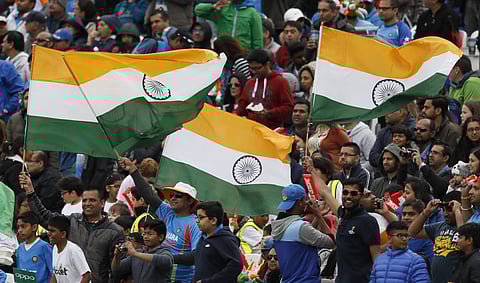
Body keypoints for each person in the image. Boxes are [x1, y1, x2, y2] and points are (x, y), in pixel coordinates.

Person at [20, 173, 125, 283]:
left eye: (92, 200)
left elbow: (117, 269)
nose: (87, 204)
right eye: (84, 200)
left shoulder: (114, 231)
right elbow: (46, 217)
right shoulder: (73, 220)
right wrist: (30, 192)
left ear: (102, 203)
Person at [119, 157, 201, 283]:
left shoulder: (194, 225)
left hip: (179, 279)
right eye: (171, 195)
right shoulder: (168, 212)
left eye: (178, 196)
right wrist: (133, 170)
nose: (172, 198)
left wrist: (164, 258)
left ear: (190, 201)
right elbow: (149, 195)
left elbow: (196, 256)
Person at [313, 176, 381, 283]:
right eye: (345, 192)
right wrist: (311, 169)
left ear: (361, 196)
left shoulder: (368, 221)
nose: (348, 196)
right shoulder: (342, 214)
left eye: (353, 193)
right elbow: (325, 192)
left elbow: (376, 257)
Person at [271, 183, 335, 282]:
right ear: (300, 202)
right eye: (305, 199)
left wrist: (318, 215)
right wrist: (318, 215)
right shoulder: (300, 227)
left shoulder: (279, 225)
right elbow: (330, 242)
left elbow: (307, 238)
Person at [174, 201, 243, 282]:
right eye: (196, 217)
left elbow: (236, 265)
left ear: (213, 220)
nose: (197, 221)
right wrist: (171, 258)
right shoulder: (204, 237)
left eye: (201, 217)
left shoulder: (225, 239)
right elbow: (196, 256)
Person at [408, 192, 463, 283]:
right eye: (443, 209)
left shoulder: (468, 225)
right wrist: (426, 212)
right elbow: (412, 232)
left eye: (449, 209)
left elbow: (462, 234)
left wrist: (457, 211)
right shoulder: (440, 226)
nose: (445, 214)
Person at [234, 48, 294, 130]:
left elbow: (289, 108)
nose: (254, 72)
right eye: (251, 69)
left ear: (267, 64)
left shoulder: (281, 82)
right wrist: (234, 115)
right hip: (252, 130)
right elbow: (242, 107)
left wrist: (269, 113)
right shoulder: (250, 83)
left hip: (273, 131)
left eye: (258, 68)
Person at [112, 218, 173, 283]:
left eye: (150, 234)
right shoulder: (139, 252)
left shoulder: (165, 252)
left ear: (160, 237)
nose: (145, 237)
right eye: (144, 233)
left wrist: (135, 254)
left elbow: (165, 261)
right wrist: (117, 256)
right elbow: (116, 270)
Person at [194, 0, 263, 51]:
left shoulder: (253, 13)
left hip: (243, 55)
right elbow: (198, 11)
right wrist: (212, 7)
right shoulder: (223, 8)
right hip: (222, 53)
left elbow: (257, 41)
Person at [47, 215, 91, 283]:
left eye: (52, 231)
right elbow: (55, 274)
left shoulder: (73, 250)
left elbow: (87, 275)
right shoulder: (55, 248)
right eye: (48, 230)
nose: (48, 233)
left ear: (63, 234)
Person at [16, 212, 53, 283]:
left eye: (23, 226)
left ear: (34, 227)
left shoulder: (44, 246)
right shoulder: (20, 247)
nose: (20, 230)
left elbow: (53, 272)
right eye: (18, 227)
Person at [401, 199, 434, 264]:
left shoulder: (425, 235)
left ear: (420, 216)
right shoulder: (401, 234)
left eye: (411, 214)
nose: (406, 217)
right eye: (404, 214)